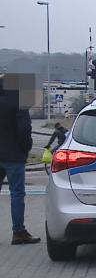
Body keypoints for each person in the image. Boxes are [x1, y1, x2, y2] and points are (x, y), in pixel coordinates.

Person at [0, 84, 40, 245]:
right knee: (16, 194)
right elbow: (24, 129)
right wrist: (25, 149)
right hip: (14, 155)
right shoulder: (18, 101)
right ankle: (19, 232)